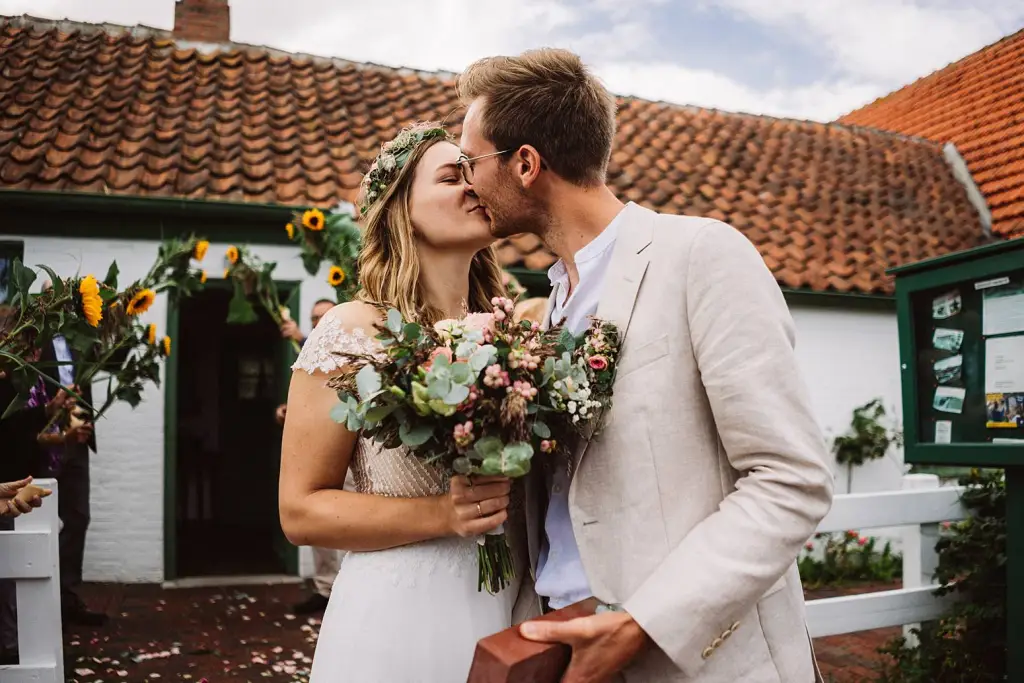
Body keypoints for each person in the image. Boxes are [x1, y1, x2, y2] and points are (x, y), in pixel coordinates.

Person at [457, 48, 834, 683]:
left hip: (693, 661)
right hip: (560, 646)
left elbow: (791, 480)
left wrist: (642, 625)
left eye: (471, 160)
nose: (466, 180)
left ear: (526, 163)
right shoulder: (545, 312)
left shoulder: (701, 256)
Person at [279, 122, 524, 682]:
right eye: (450, 175)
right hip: (400, 617)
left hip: (502, 602)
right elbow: (300, 509)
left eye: (473, 171)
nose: (473, 185)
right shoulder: (351, 330)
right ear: (401, 209)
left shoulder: (513, 335)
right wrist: (443, 515)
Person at [275, 297, 350, 615]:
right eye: (313, 318)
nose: (318, 322)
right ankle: (324, 587)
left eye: (324, 317)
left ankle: (346, 587)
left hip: (346, 451)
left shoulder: (346, 348)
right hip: (316, 452)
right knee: (321, 524)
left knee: (347, 519)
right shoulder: (307, 354)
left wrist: (301, 337)